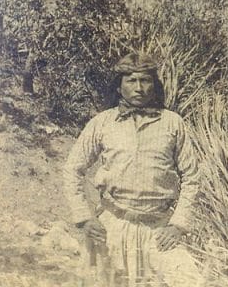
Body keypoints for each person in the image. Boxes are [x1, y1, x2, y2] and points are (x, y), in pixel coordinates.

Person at [64, 53, 203, 286]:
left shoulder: (173, 123)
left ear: (154, 85)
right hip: (112, 226)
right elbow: (72, 170)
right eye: (131, 80)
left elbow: (192, 177)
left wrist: (178, 225)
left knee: (189, 280)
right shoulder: (103, 122)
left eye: (145, 80)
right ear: (119, 87)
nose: (139, 87)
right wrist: (85, 218)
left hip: (159, 229)